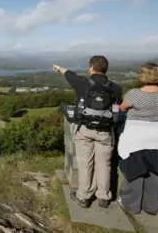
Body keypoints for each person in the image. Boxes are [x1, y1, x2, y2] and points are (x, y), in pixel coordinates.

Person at [53, 56, 122, 208]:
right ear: (105, 69)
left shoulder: (82, 83)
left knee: (85, 163)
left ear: (91, 67)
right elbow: (118, 108)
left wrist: (59, 68)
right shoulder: (115, 87)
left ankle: (84, 196)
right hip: (105, 131)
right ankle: (103, 196)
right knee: (104, 163)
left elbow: (69, 74)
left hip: (85, 128)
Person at [117, 63, 158, 215]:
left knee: (135, 170)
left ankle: (131, 205)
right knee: (155, 172)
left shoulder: (134, 93)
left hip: (137, 136)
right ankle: (151, 206)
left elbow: (122, 108)